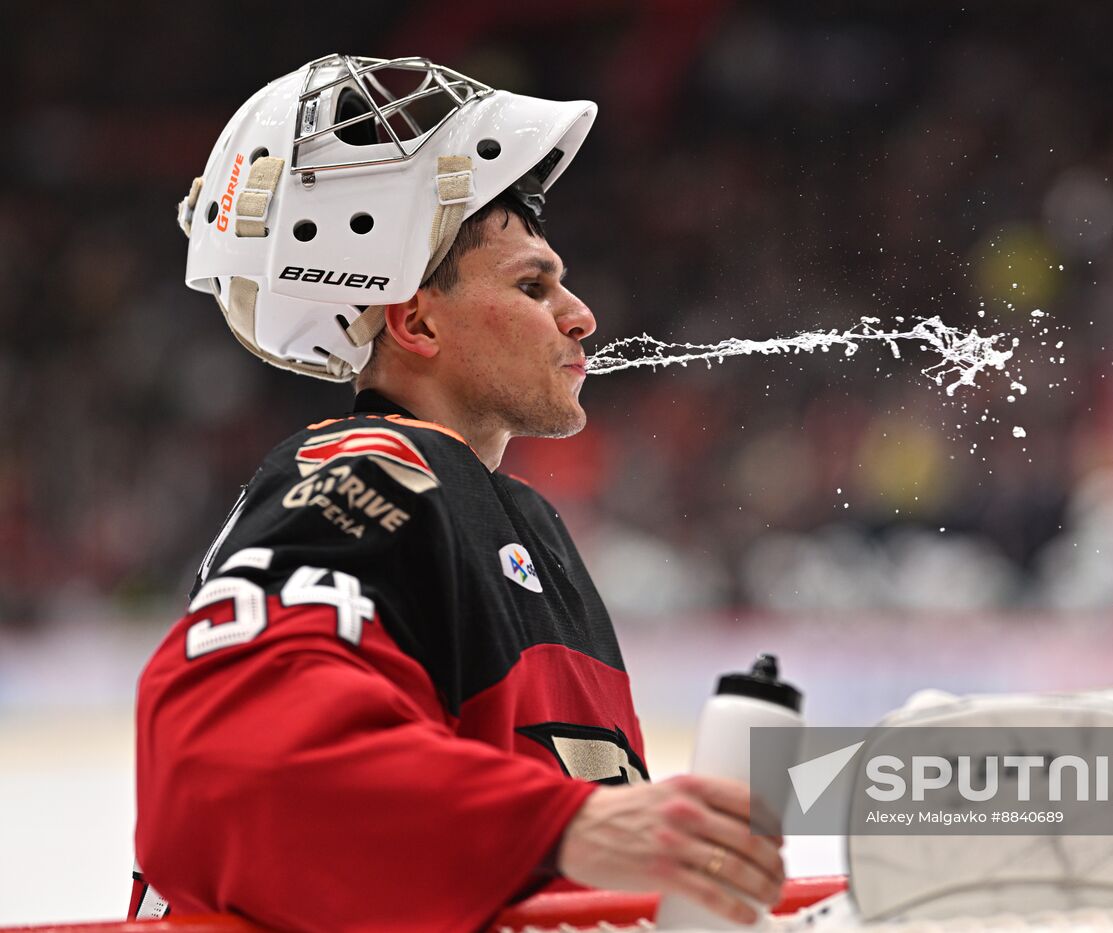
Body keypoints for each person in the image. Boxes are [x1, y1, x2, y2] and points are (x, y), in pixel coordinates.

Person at [132, 53, 784, 932]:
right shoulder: (367, 471)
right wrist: (573, 825)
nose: (581, 314)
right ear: (415, 320)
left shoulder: (521, 520)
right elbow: (217, 761)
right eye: (532, 284)